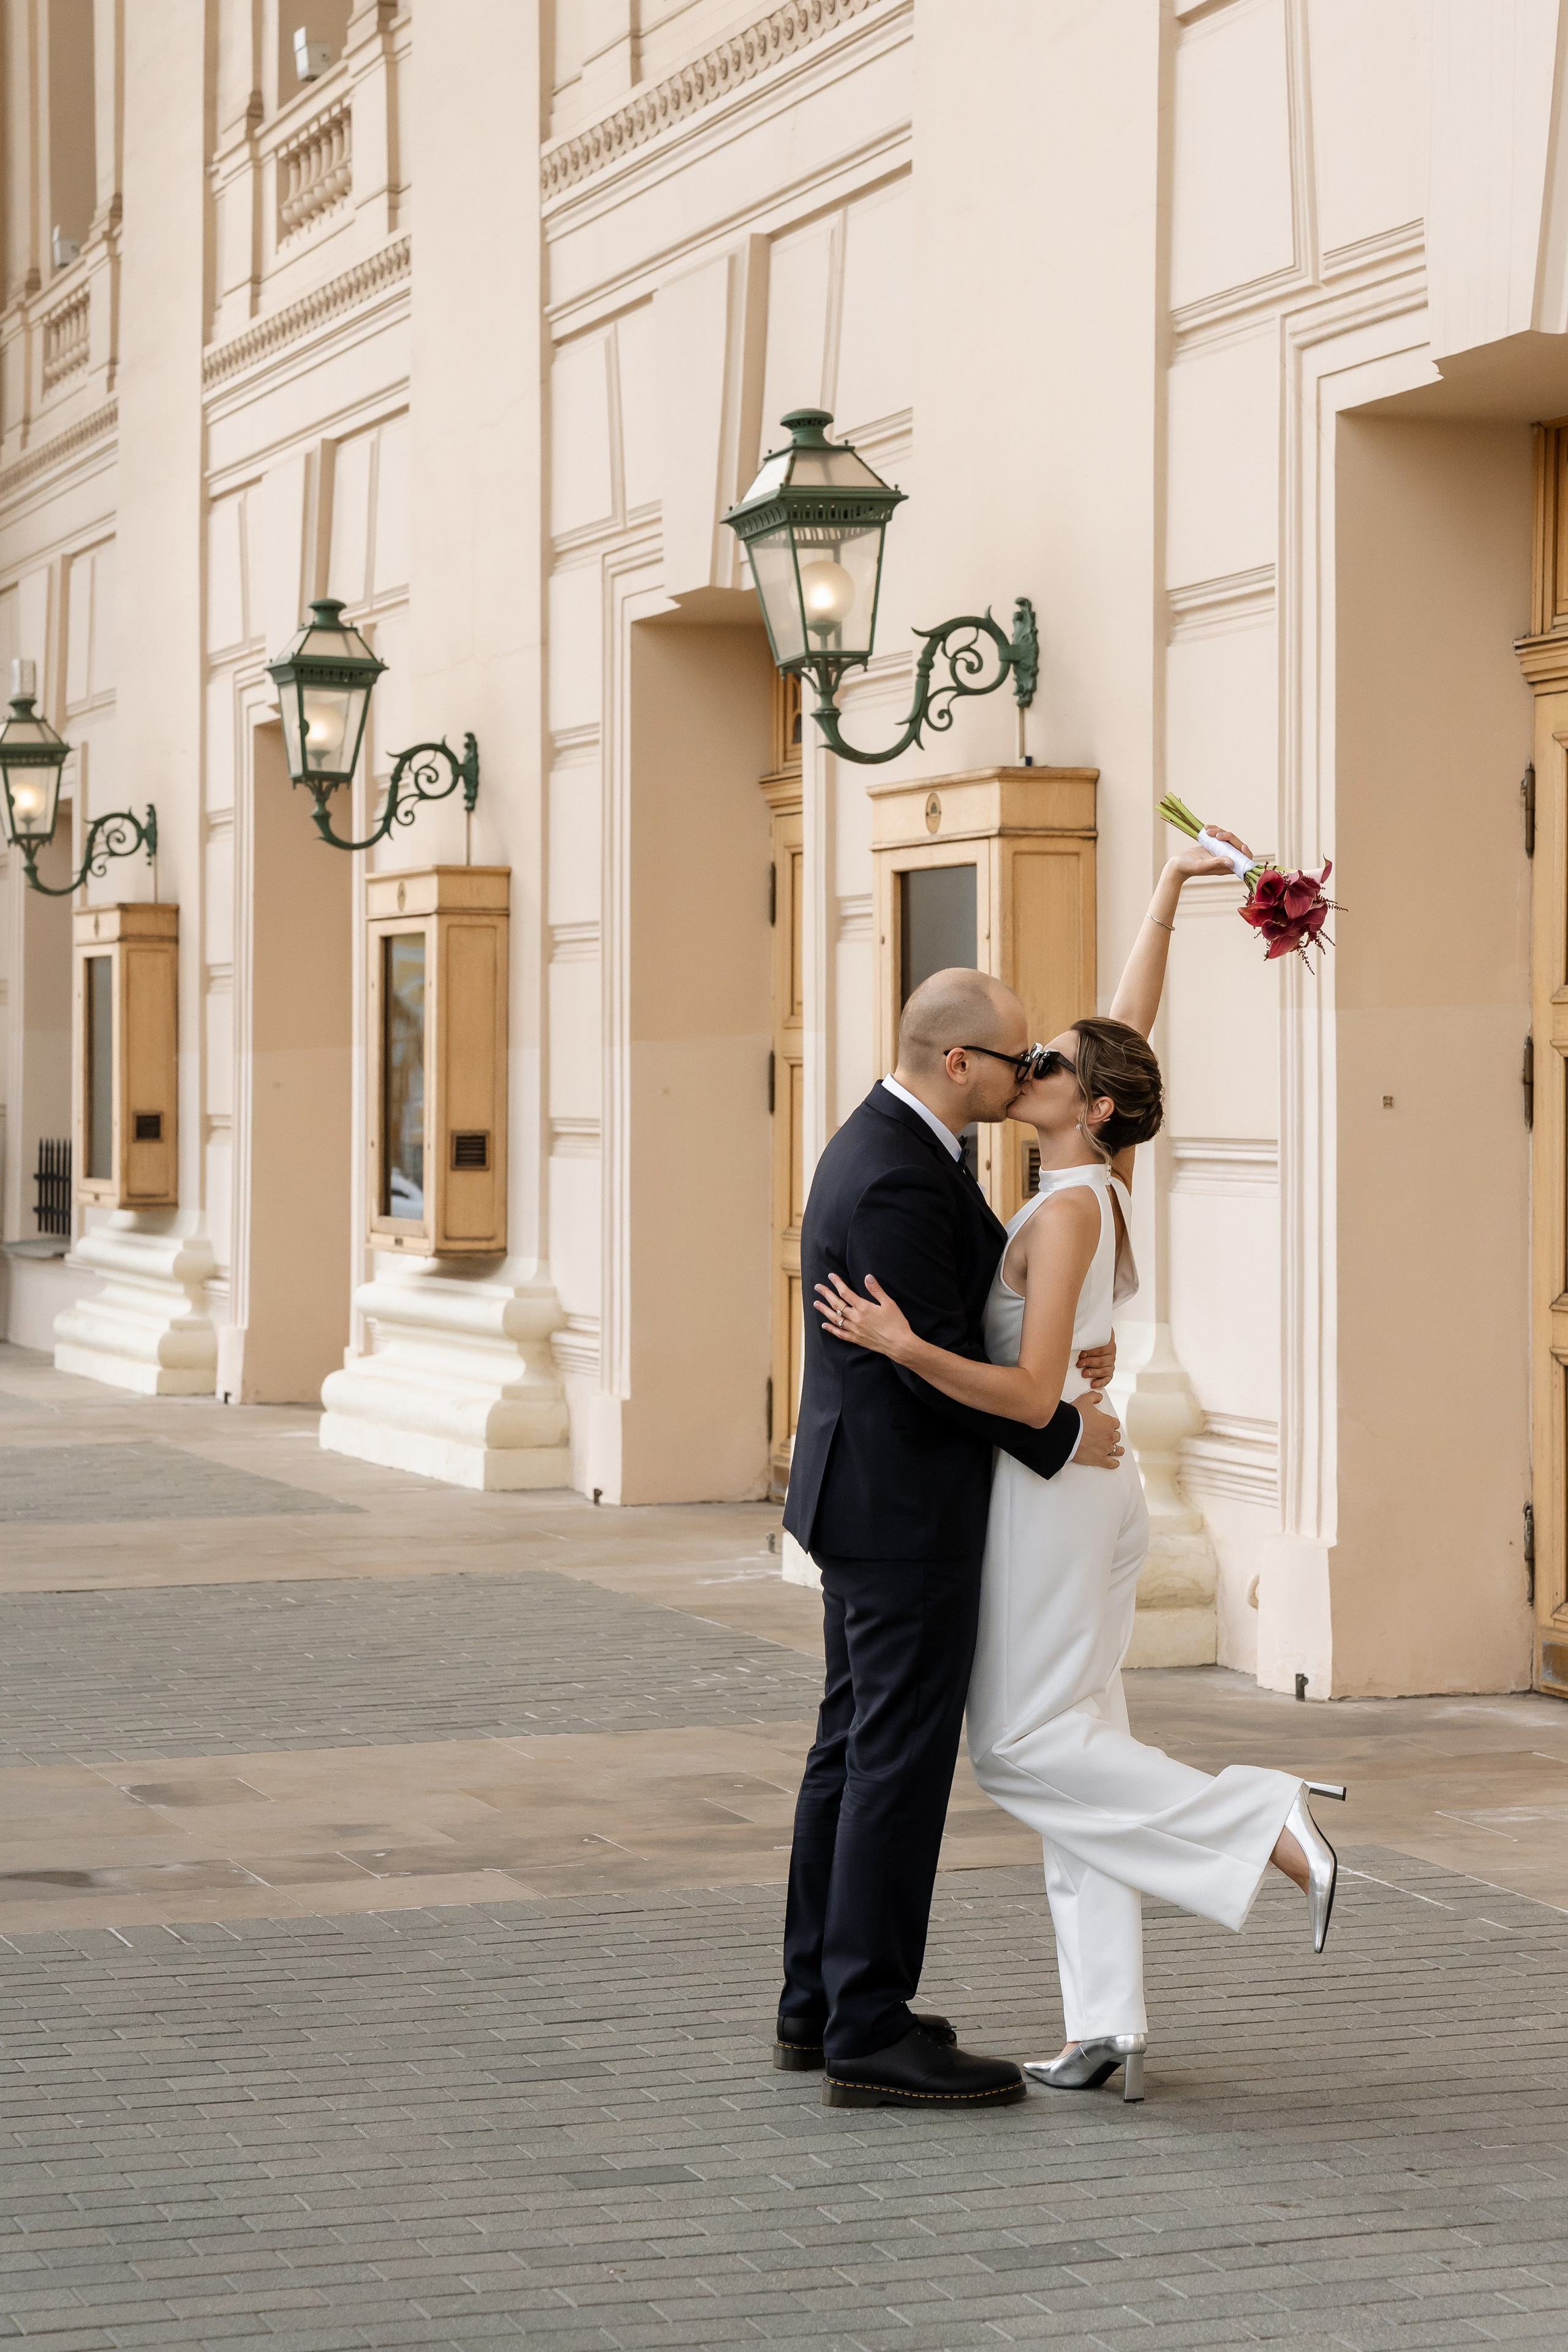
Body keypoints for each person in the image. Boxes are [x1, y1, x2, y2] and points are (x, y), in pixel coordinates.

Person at [817, 828, 1344, 2106]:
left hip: (1054, 1489)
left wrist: (898, 1342)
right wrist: (1168, 888)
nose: (1029, 1066)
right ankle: (1104, 2022)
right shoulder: (1077, 1175)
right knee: (1083, 1728)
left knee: (1018, 1748)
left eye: (1048, 1061)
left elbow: (1034, 1395)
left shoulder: (1063, 1205)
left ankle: (1263, 1817)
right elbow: (1125, 1022)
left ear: (1089, 1104)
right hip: (1078, 1489)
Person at [777, 965, 1128, 2110]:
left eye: (1047, 1063)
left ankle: (818, 2003)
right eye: (1017, 1058)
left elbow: (985, 1300)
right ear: (959, 1063)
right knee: (894, 1763)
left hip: (872, 1501)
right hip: (901, 1513)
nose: (1030, 1074)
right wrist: (1063, 1430)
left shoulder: (906, 1148)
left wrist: (1066, 1339)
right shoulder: (895, 1176)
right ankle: (869, 2031)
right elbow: (925, 1373)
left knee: (851, 1749)